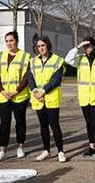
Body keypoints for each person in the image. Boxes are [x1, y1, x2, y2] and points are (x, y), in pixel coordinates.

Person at [65, 37, 95, 161]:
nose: (86, 49)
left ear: (94, 46)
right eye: (85, 47)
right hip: (84, 96)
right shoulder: (80, 59)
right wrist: (78, 46)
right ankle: (91, 147)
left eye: (88, 46)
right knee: (88, 123)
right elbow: (68, 59)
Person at [0, 31, 31, 162]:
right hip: (3, 96)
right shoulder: (0, 56)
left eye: (11, 40)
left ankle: (20, 147)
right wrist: (2, 90)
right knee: (4, 123)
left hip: (19, 96)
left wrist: (16, 91)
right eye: (7, 41)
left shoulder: (25, 56)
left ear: (17, 41)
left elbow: (27, 76)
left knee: (20, 122)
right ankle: (2, 150)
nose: (9, 43)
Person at [29, 35, 67, 163]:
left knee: (54, 125)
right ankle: (46, 150)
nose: (41, 48)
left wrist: (43, 91)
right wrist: (34, 90)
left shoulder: (57, 60)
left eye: (43, 45)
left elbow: (56, 79)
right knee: (43, 125)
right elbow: (30, 77)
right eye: (38, 46)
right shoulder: (33, 61)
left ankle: (60, 151)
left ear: (48, 45)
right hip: (38, 98)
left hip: (51, 97)